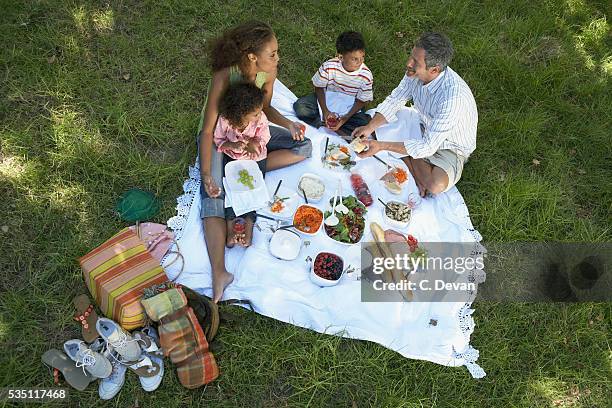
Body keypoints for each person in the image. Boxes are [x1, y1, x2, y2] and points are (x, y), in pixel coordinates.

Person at [199, 21, 312, 302]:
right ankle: (218, 272)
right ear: (252, 56)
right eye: (272, 53)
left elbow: (266, 109)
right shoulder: (225, 75)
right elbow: (208, 130)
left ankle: (248, 165)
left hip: (253, 134)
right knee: (213, 196)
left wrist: (288, 124)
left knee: (305, 146)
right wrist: (206, 173)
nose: (277, 59)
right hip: (220, 137)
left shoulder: (269, 72)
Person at [352, 32, 477, 197]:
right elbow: (396, 99)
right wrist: (369, 128)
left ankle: (408, 158)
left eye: (416, 62)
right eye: (411, 56)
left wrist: (382, 145)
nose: (409, 63)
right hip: (423, 124)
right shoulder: (414, 72)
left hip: (450, 146)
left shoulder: (453, 99)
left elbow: (428, 146)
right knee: (373, 123)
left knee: (434, 185)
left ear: (434, 70)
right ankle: (411, 158)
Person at [214, 82, 270, 247]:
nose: (259, 115)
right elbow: (218, 140)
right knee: (232, 191)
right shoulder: (225, 121)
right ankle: (230, 226)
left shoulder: (260, 120)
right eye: (255, 114)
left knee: (254, 188)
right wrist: (232, 145)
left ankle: (249, 226)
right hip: (233, 159)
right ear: (240, 114)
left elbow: (265, 137)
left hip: (255, 158)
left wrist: (255, 143)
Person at [293, 31, 373, 137]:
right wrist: (325, 111)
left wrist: (345, 118)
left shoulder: (366, 75)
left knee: (364, 126)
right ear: (341, 57)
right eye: (354, 59)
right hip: (327, 100)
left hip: (350, 108)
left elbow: (362, 100)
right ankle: (324, 124)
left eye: (362, 57)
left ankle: (334, 126)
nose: (360, 62)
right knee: (301, 107)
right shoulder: (329, 66)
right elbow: (319, 87)